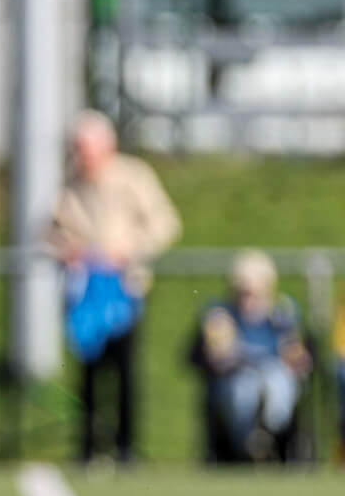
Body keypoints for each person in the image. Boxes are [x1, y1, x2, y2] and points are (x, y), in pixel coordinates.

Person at [48, 110, 180, 465]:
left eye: (85, 147)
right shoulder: (71, 184)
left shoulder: (133, 177)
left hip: (124, 288)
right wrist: (69, 251)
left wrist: (128, 250)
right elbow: (52, 232)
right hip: (85, 291)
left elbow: (164, 224)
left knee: (124, 369)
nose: (81, 154)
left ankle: (126, 448)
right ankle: (88, 448)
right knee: (88, 372)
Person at [190, 249, 310, 463]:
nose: (249, 297)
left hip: (273, 374)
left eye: (254, 291)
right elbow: (213, 358)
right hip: (236, 377)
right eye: (243, 291)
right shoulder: (221, 314)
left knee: (277, 382)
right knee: (244, 388)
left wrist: (292, 348)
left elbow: (299, 359)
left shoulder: (281, 313)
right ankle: (249, 442)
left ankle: (269, 433)